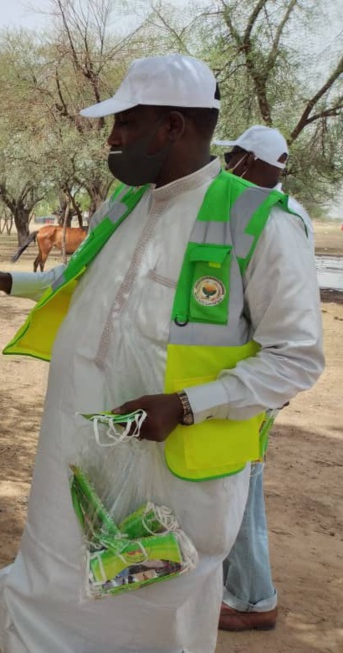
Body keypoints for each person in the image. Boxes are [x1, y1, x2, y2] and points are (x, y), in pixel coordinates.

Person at [0, 54, 323, 652]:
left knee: (155, 613)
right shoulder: (124, 206)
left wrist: (186, 403)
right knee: (61, 584)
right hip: (81, 454)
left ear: (172, 127)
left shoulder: (258, 219)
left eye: (125, 123)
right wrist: (6, 282)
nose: (113, 139)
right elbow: (79, 284)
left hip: (177, 470)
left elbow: (297, 356)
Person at [213, 125, 314, 632]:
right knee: (240, 479)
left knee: (244, 483)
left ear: (250, 161)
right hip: (254, 375)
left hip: (257, 378)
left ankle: (254, 598)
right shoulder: (288, 211)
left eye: (233, 156)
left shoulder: (272, 218)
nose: (228, 164)